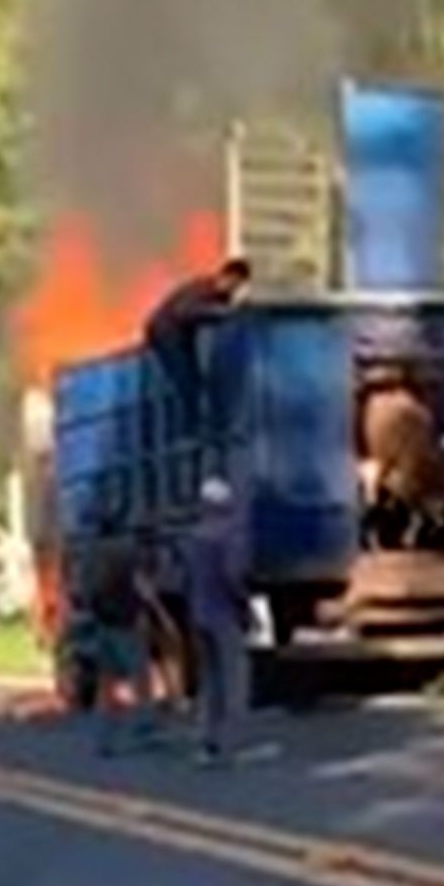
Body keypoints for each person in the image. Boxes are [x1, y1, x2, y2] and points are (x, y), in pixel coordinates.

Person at [184, 477, 275, 767]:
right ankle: (233, 745)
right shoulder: (229, 535)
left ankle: (205, 743)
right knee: (234, 679)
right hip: (225, 615)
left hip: (199, 615)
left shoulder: (195, 536)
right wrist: (246, 604)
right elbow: (233, 575)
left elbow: (186, 579)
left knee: (210, 681)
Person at [143, 257, 252, 440]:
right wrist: (223, 312)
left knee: (196, 380)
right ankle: (191, 430)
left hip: (181, 335)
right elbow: (185, 312)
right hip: (165, 332)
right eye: (233, 284)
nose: (234, 289)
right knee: (186, 380)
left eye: (238, 286)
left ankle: (198, 425)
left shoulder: (220, 296)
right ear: (225, 276)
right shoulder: (203, 289)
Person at [89, 555, 160, 758]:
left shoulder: (96, 557)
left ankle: (103, 740)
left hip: (104, 624)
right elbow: (145, 592)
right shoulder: (130, 558)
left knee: (107, 686)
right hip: (126, 624)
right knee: (140, 678)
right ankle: (145, 725)